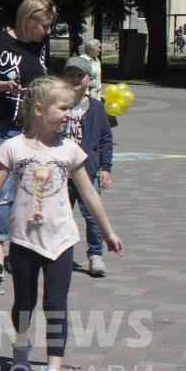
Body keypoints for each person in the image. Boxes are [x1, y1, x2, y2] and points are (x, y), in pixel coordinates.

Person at [0, 76, 123, 371]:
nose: (69, 115)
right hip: (24, 241)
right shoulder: (13, 148)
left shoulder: (70, 150)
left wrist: (108, 232)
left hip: (61, 240)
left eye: (71, 109)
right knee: (24, 305)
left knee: (56, 306)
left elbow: (89, 194)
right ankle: (22, 345)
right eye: (64, 108)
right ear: (40, 110)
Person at [0, 0, 55, 285]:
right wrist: (5, 84)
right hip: (1, 126)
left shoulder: (41, 45)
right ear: (28, 20)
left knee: (31, 191)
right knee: (2, 193)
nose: (48, 32)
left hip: (32, 128)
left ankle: (23, 251)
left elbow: (44, 77)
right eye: (43, 25)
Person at [62, 57, 114, 277]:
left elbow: (105, 139)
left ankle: (95, 254)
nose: (75, 79)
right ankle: (59, 254)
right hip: (60, 171)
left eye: (79, 76)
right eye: (71, 75)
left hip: (88, 170)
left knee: (92, 214)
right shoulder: (57, 104)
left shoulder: (96, 108)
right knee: (60, 215)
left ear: (88, 80)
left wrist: (105, 167)